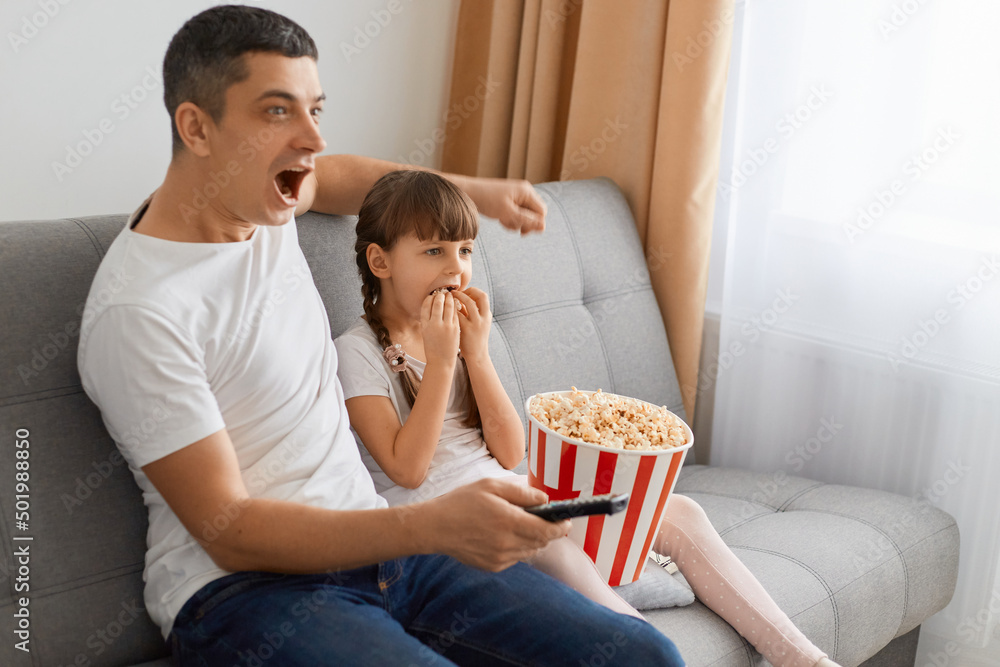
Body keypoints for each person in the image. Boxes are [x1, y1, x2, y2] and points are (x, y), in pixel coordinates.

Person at [76, 5, 685, 665]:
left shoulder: (260, 199)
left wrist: (473, 191)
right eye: (277, 112)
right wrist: (430, 522)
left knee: (644, 656)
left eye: (316, 110)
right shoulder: (141, 311)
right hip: (245, 594)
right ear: (196, 127)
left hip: (385, 552)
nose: (309, 139)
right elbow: (231, 531)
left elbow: (341, 178)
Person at [335, 169, 842, 667]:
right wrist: (445, 361)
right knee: (555, 546)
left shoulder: (458, 335)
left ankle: (802, 658)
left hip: (513, 491)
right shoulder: (356, 353)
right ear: (380, 261)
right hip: (452, 528)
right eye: (433, 251)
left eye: (465, 251)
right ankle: (638, 645)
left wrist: (478, 355)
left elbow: (511, 452)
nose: (456, 269)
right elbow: (409, 470)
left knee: (679, 512)